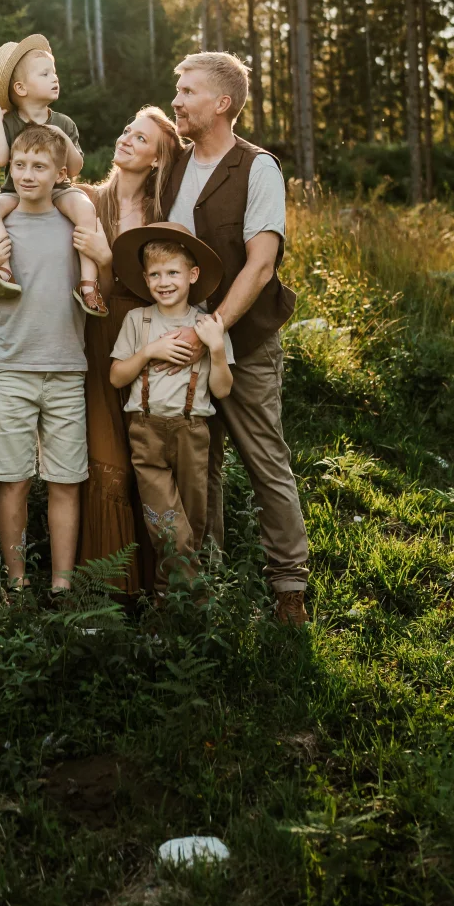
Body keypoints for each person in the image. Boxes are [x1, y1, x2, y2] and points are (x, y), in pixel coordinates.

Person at [163, 50, 309, 626]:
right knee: (199, 469)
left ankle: (288, 587)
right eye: (176, 90)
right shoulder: (171, 164)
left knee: (263, 459)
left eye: (188, 91)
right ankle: (208, 584)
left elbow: (261, 266)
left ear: (222, 103)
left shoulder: (258, 168)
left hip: (242, 343)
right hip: (177, 344)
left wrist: (214, 329)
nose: (176, 99)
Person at [0, 123, 89, 599]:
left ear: (60, 172)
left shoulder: (73, 223)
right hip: (12, 370)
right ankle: (16, 583)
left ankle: (62, 583)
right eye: (19, 165)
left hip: (66, 369)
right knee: (12, 480)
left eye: (39, 166)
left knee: (65, 480)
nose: (26, 174)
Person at [71, 106, 184, 597]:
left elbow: (154, 290)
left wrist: (107, 259)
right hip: (94, 340)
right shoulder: (86, 202)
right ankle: (107, 589)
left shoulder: (164, 219)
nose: (126, 140)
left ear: (158, 159)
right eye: (126, 130)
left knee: (147, 455)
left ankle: (160, 584)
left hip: (145, 343)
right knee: (105, 454)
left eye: (140, 138)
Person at [109, 225, 233, 592]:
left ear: (192, 275)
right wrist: (148, 352)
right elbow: (117, 377)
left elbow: (223, 389)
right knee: (166, 524)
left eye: (173, 272)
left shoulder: (208, 325)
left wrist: (216, 349)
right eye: (155, 274)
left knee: (191, 524)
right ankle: (186, 604)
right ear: (145, 279)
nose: (164, 282)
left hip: (192, 432)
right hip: (146, 431)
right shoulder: (139, 321)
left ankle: (174, 609)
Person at [0, 33, 107, 317]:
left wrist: (60, 136)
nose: (54, 78)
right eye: (45, 73)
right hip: (16, 192)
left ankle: (87, 283)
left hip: (59, 190)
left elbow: (74, 168)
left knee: (85, 207)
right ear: (21, 88)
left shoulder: (63, 122)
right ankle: (3, 271)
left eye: (54, 73)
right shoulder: (9, 122)